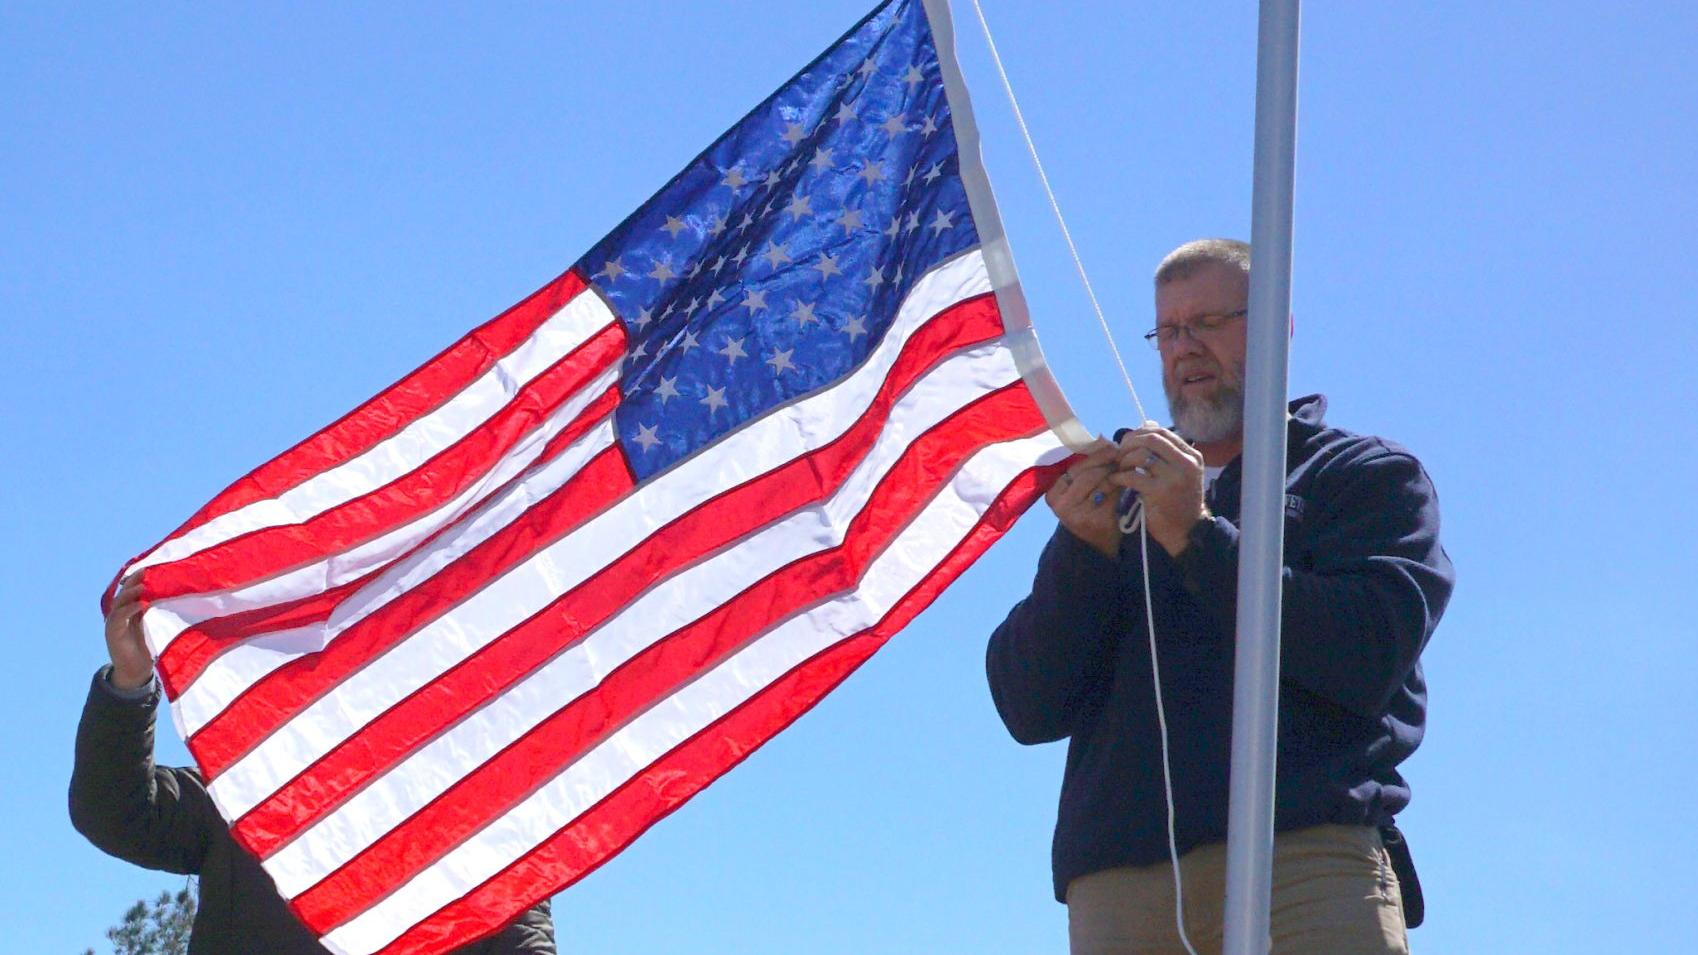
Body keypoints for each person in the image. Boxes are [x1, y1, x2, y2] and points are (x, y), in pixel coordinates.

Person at [986, 239, 1454, 954]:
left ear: (1275, 327)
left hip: (1302, 859)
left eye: (1209, 322)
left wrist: (1198, 536)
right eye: (1169, 331)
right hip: (1121, 885)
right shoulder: (1120, 495)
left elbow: (1365, 652)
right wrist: (1080, 555)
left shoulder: (1360, 476)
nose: (1185, 348)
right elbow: (1028, 703)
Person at [71, 574, 558, 954]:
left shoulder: (479, 828)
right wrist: (130, 684)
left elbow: (522, 941)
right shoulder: (251, 796)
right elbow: (115, 811)